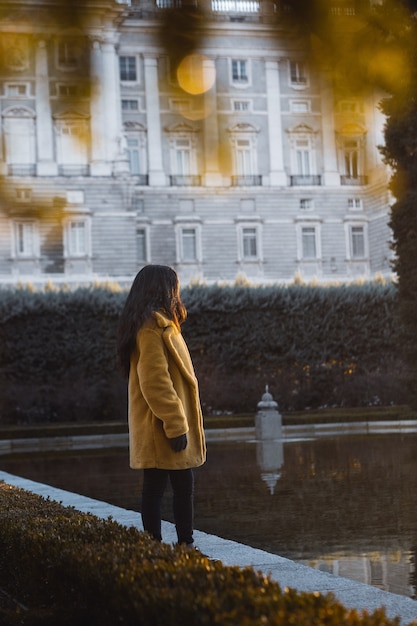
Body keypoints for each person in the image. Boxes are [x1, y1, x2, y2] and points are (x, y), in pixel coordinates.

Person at [117, 265, 206, 549]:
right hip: (161, 426)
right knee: (165, 487)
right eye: (174, 288)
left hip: (163, 424)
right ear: (164, 290)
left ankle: (173, 546)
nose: (177, 294)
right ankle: (170, 546)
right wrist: (176, 424)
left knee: (169, 486)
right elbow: (155, 382)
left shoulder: (160, 325)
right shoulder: (150, 329)